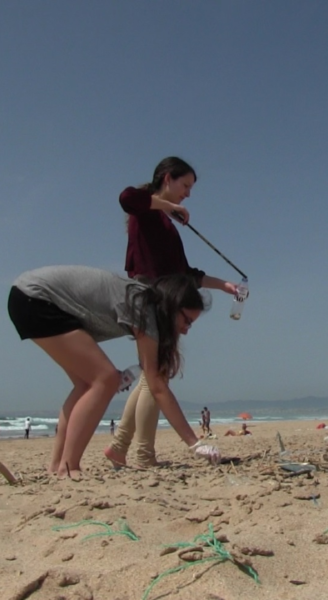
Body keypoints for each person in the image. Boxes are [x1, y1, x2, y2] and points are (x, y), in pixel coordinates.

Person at [7, 266, 220, 477]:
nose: (185, 330)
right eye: (187, 321)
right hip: (36, 298)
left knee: (86, 384)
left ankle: (57, 465)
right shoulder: (144, 306)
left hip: (28, 297)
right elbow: (157, 387)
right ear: (172, 306)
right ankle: (69, 467)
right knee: (105, 379)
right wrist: (195, 444)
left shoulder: (144, 304)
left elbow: (153, 376)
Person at [106, 157, 242, 468]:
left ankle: (120, 448)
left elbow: (184, 272)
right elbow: (126, 198)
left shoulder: (162, 219)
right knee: (157, 376)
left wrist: (224, 286)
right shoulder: (148, 210)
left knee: (150, 376)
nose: (188, 194)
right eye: (185, 186)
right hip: (149, 297)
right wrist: (168, 207)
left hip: (160, 297)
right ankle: (142, 455)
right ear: (167, 179)